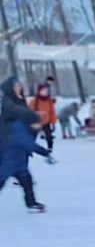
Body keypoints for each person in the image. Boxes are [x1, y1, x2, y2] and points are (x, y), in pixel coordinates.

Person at [0, 77, 56, 212]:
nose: (20, 87)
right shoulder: (8, 102)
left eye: (20, 85)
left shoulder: (20, 101)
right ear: (10, 88)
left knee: (26, 179)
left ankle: (31, 203)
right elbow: (28, 142)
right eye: (17, 85)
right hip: (9, 150)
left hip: (18, 153)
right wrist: (33, 115)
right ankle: (31, 203)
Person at [29, 82, 57, 151]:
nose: (45, 92)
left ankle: (49, 149)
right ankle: (29, 148)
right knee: (31, 137)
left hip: (46, 122)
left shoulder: (49, 101)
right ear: (39, 91)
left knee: (49, 136)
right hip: (36, 122)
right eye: (43, 90)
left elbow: (52, 112)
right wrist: (37, 114)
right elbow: (29, 112)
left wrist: (53, 121)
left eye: (46, 91)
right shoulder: (34, 101)